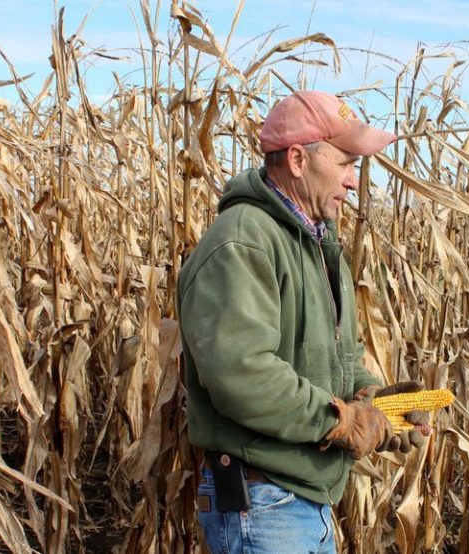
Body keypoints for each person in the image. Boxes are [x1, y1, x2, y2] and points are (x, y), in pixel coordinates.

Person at [177, 90, 426, 554]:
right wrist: (342, 420)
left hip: (300, 499)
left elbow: (335, 356)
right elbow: (241, 374)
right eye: (346, 163)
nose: (354, 182)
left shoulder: (315, 243)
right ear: (296, 159)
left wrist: (376, 400)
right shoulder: (243, 242)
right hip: (262, 503)